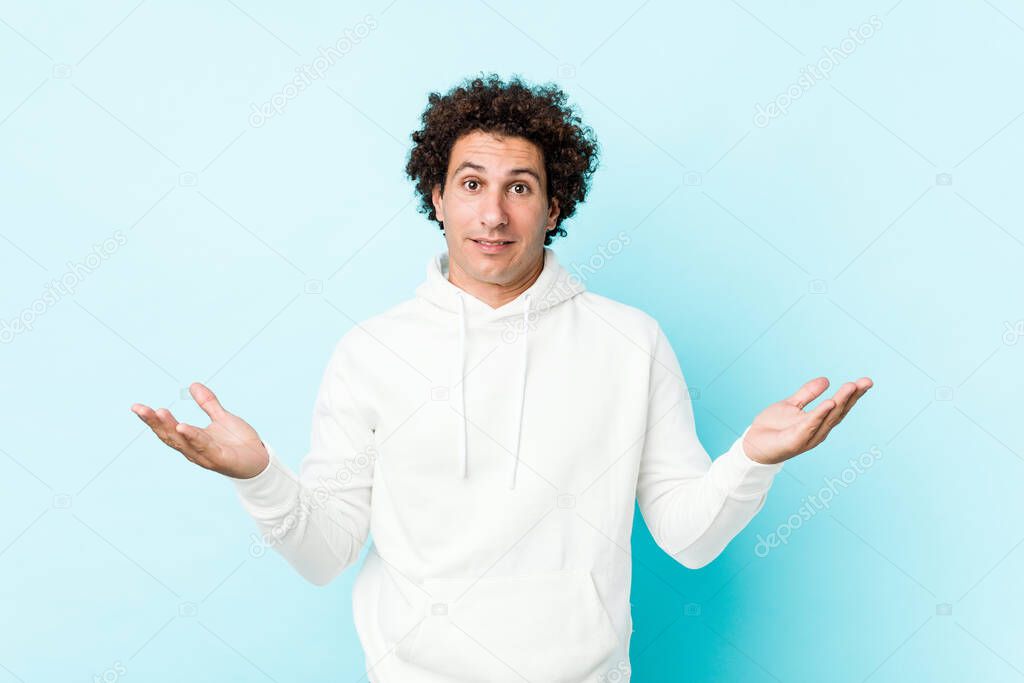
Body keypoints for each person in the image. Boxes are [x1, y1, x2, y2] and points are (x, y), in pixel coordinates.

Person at [130, 73, 872, 682]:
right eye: (471, 182)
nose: (492, 212)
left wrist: (751, 458)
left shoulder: (629, 342)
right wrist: (258, 474)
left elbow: (688, 537)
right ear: (437, 196)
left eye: (519, 187)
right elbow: (327, 552)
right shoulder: (372, 352)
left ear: (554, 207)